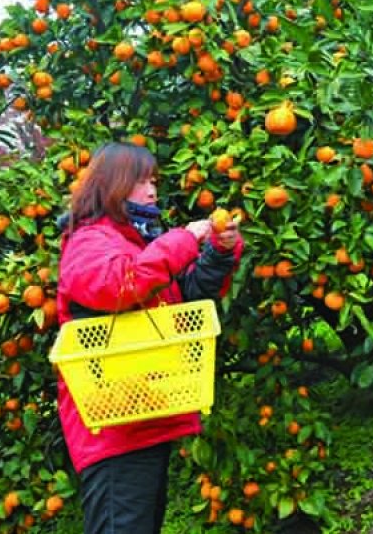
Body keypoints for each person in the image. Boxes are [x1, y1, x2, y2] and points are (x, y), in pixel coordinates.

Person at [55, 142, 243, 533]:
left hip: (141, 418)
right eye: (141, 181)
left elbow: (182, 300)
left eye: (153, 181)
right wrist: (184, 239)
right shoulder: (89, 242)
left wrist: (217, 254)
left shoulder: (131, 243)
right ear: (113, 185)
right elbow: (122, 285)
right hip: (112, 431)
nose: (152, 191)